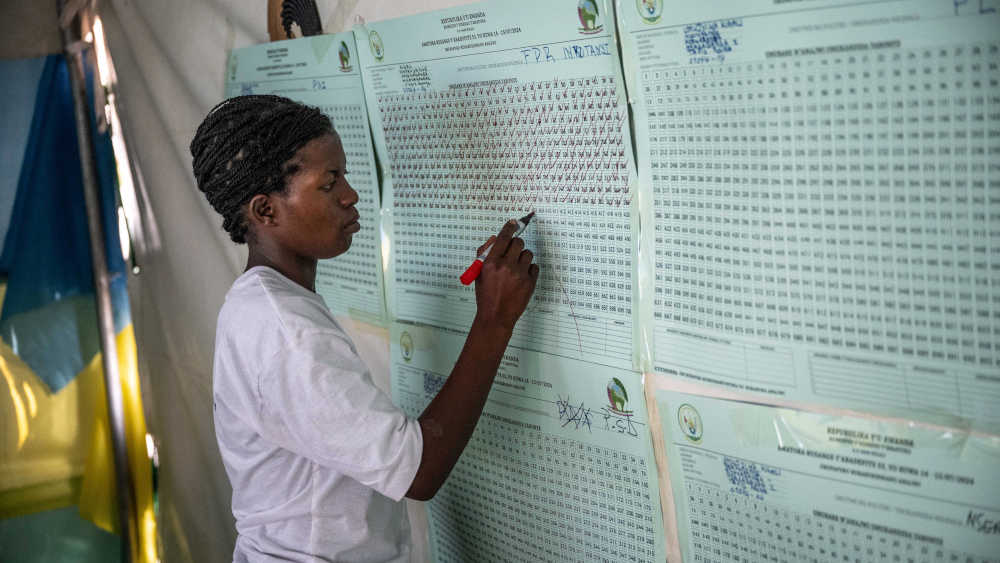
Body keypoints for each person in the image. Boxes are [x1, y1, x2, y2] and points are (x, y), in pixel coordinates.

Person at [189, 94, 539, 562]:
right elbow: (420, 471)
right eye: (329, 182)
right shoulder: (288, 333)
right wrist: (494, 320)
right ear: (265, 211)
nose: (350, 195)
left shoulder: (259, 303)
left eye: (345, 176)